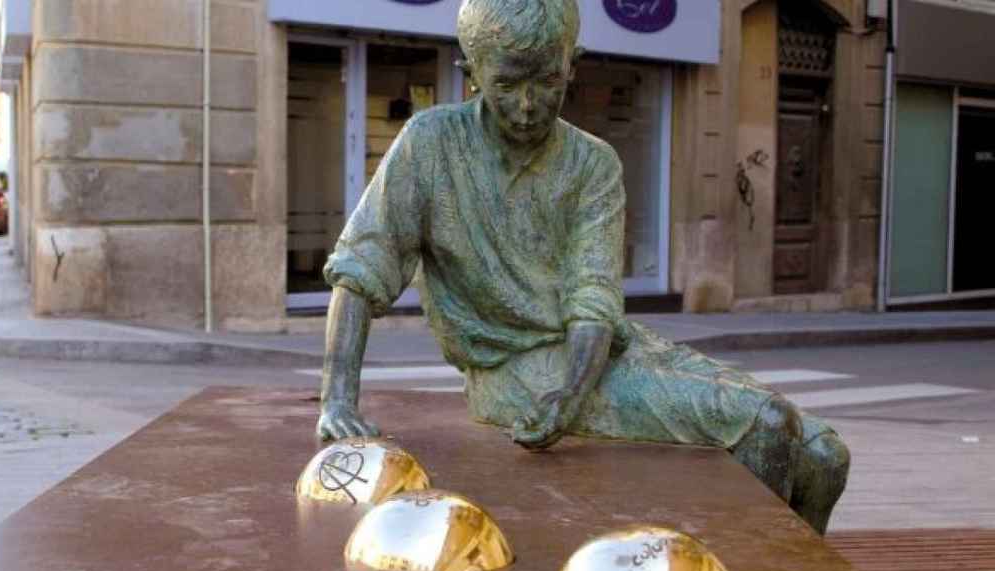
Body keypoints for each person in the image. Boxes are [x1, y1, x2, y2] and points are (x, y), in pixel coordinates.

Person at [316, 0, 849, 534]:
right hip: (513, 372)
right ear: (471, 72)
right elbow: (362, 269)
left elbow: (592, 297)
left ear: (574, 64)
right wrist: (338, 399)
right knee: (768, 425)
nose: (527, 105)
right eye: (506, 84)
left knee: (826, 456)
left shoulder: (592, 162)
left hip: (592, 354)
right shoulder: (429, 144)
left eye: (547, 82)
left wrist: (569, 397)